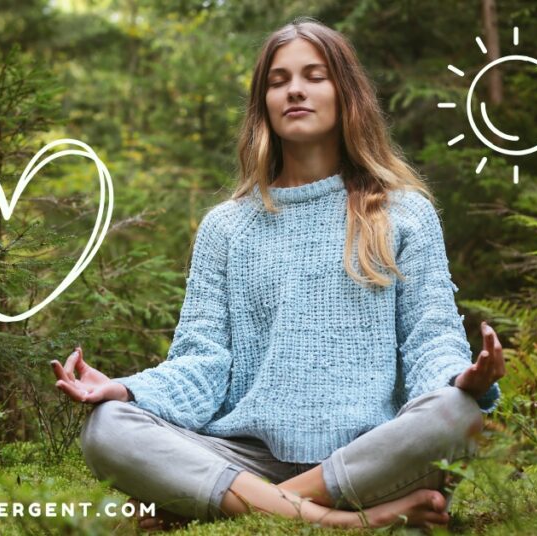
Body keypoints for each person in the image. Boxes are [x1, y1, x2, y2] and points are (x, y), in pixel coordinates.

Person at [50, 17, 505, 531]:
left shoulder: (403, 213)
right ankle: (346, 522)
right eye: (278, 80)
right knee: (107, 427)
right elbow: (202, 363)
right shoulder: (227, 227)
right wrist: (128, 392)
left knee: (456, 413)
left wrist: (459, 378)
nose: (294, 90)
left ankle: (235, 510)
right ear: (263, 102)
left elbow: (431, 337)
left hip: (363, 454)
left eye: (314, 75)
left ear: (345, 93)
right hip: (245, 454)